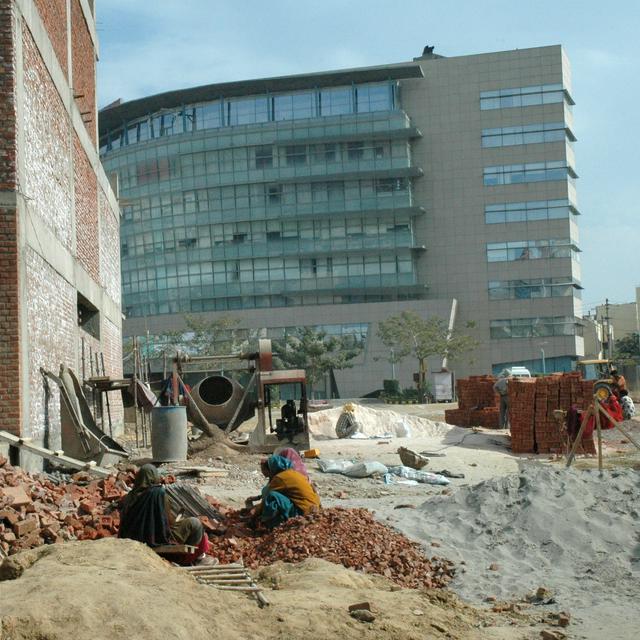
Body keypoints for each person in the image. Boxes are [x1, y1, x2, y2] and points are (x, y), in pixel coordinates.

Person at [119, 464, 212, 565]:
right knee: (195, 523)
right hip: (156, 537)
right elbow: (166, 521)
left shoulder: (129, 496)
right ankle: (190, 559)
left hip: (132, 537)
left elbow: (124, 520)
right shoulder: (157, 493)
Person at [245, 455, 320, 528]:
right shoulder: (294, 474)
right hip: (314, 507)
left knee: (272, 497)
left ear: (272, 469)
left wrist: (255, 511)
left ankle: (265, 524)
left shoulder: (280, 478)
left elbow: (267, 496)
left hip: (303, 510)